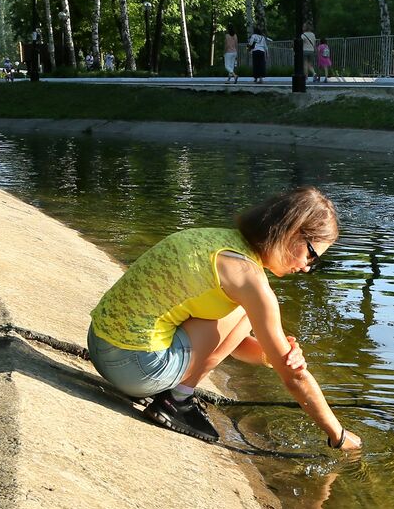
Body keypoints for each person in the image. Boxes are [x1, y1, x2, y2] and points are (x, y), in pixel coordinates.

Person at [87, 187, 362, 451]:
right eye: (311, 254)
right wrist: (337, 435)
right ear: (291, 232)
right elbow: (294, 379)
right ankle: (177, 400)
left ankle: (174, 393)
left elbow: (230, 344)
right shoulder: (249, 279)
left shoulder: (214, 240)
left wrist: (272, 354)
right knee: (245, 309)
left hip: (100, 344)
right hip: (135, 369)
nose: (305, 267)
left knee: (242, 311)